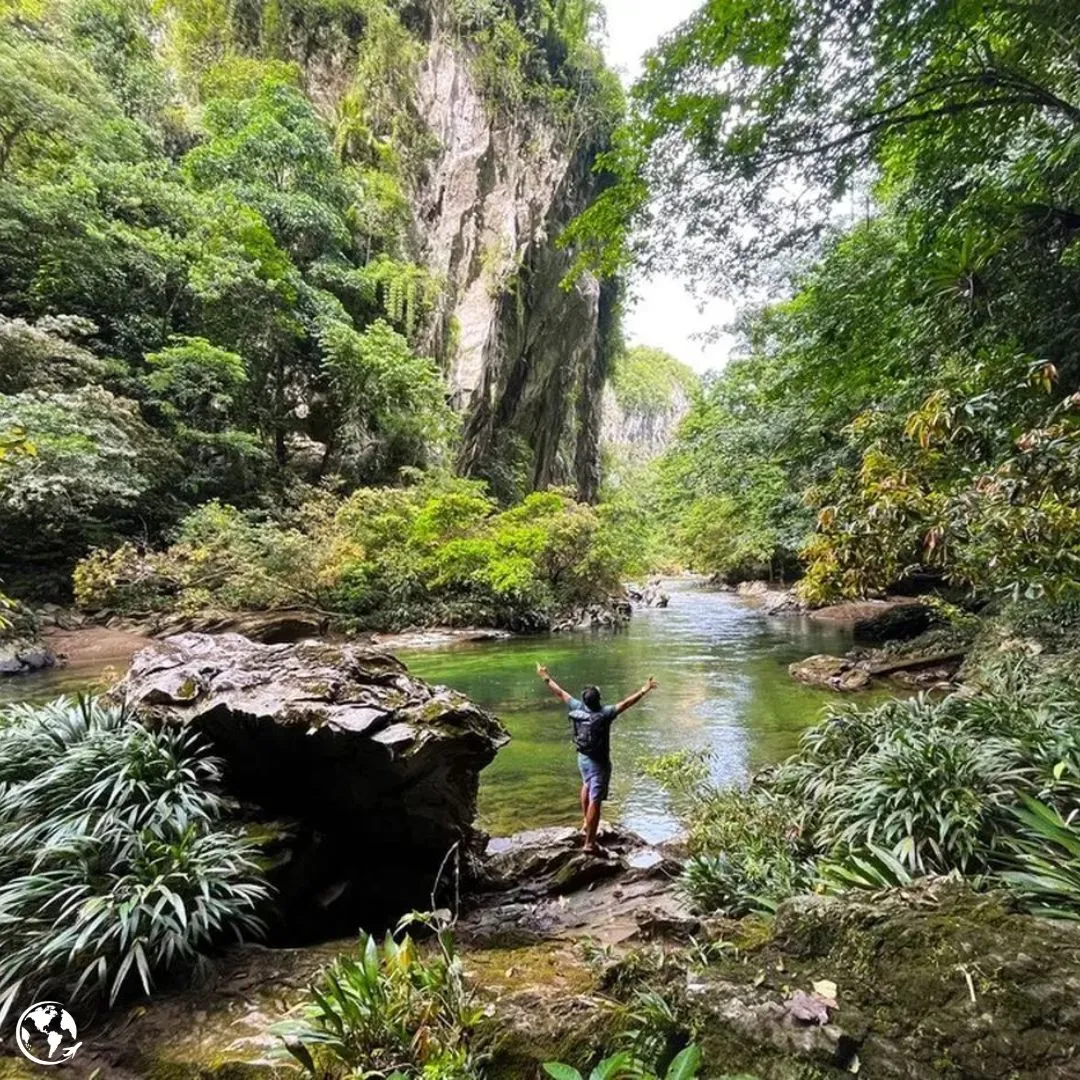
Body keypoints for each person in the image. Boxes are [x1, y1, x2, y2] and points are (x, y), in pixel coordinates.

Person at [536, 663, 658, 856]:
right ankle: (590, 844)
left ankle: (586, 823)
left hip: (582, 757)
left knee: (586, 785)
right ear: (599, 700)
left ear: (585, 701)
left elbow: (560, 693)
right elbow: (626, 703)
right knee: (596, 799)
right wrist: (644, 690)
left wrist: (545, 677)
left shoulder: (577, 707)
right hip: (599, 763)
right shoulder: (605, 713)